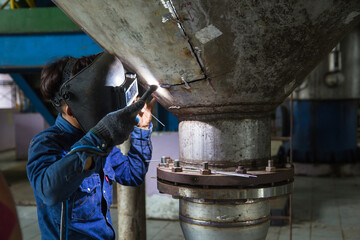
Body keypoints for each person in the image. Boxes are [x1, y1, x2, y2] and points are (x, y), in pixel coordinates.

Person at [27, 53, 155, 239]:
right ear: (70, 110)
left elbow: (132, 174)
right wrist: (100, 137)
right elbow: (49, 191)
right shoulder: (47, 144)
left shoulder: (100, 140)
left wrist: (142, 129)